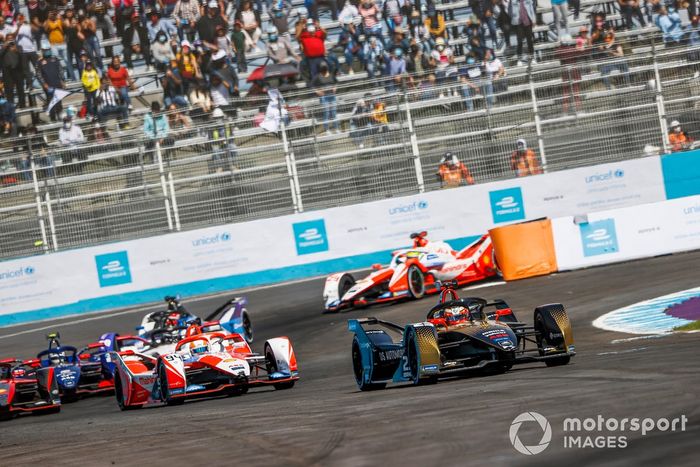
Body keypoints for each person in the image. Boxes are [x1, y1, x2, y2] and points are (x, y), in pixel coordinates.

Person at [37, 42, 65, 121]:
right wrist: (43, 84)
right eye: (45, 50)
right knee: (51, 104)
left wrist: (63, 80)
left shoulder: (55, 59)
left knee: (59, 104)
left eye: (48, 49)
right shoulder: (40, 62)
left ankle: (61, 120)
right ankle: (53, 120)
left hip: (58, 84)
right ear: (42, 51)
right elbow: (38, 74)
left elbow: (61, 70)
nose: (47, 51)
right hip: (48, 86)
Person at [311, 61, 339, 134]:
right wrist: (317, 91)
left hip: (332, 96)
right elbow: (311, 85)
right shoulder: (317, 76)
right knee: (326, 113)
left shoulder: (331, 75)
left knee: (334, 113)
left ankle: (336, 128)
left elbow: (336, 82)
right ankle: (327, 129)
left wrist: (335, 88)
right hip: (324, 97)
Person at [0, 37, 25, 109]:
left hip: (17, 71)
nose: (10, 41)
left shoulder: (18, 47)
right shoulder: (3, 48)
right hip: (7, 72)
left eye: (12, 39)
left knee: (20, 90)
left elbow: (22, 57)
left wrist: (16, 50)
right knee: (9, 91)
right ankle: (11, 107)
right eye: (9, 39)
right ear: (5, 40)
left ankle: (22, 106)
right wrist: (4, 47)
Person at [509, 0, 535, 66]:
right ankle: (519, 59)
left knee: (530, 41)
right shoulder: (512, 1)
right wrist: (513, 18)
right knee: (519, 41)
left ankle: (532, 58)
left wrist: (533, 19)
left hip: (528, 21)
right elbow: (509, 11)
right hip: (518, 23)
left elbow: (531, 9)